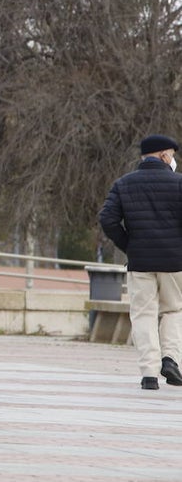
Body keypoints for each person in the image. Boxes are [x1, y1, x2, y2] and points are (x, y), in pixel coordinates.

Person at [98, 134, 182, 390]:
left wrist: (129, 246)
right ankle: (171, 359)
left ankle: (149, 373)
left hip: (140, 262)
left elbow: (108, 219)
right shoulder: (179, 183)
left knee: (143, 314)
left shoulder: (124, 184)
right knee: (174, 310)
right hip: (175, 261)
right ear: (165, 155)